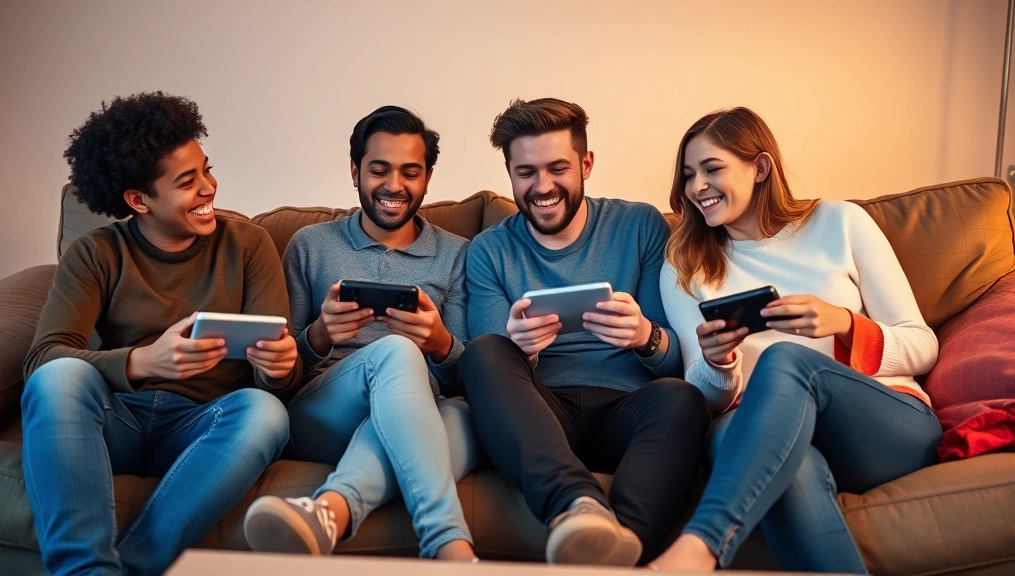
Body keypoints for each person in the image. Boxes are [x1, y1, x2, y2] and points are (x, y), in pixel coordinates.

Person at [651, 107, 941, 573]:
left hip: (881, 426)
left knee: (785, 359)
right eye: (688, 175)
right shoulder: (685, 265)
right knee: (789, 466)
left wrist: (845, 324)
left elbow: (923, 345)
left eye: (712, 169)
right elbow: (702, 394)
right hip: (757, 429)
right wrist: (718, 362)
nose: (696, 187)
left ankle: (699, 547)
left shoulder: (840, 223)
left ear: (760, 167)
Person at [22, 92, 302, 576]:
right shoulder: (96, 253)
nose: (210, 188)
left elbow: (280, 376)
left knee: (265, 411)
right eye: (187, 182)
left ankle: (133, 566)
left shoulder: (249, 245)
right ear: (138, 200)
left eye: (207, 171)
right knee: (58, 379)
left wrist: (279, 369)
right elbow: (44, 358)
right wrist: (144, 362)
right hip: (116, 419)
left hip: (202, 425)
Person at [458, 98, 709, 566]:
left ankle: (622, 544)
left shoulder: (640, 226)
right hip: (540, 414)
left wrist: (645, 336)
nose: (543, 186)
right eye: (526, 172)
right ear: (509, 172)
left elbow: (679, 359)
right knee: (486, 351)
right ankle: (575, 503)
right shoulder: (489, 251)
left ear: (586, 164)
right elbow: (490, 372)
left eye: (557, 168)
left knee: (682, 397)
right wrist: (522, 350)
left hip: (626, 409)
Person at [243, 106, 481, 561]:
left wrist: (439, 343)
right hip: (324, 414)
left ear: (428, 177)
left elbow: (465, 377)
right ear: (355, 172)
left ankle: (329, 511)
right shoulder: (310, 245)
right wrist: (318, 337)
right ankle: (446, 541)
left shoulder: (457, 255)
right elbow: (271, 379)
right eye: (379, 170)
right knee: (395, 351)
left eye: (410, 172)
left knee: (468, 417)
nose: (394, 186)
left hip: (418, 415)